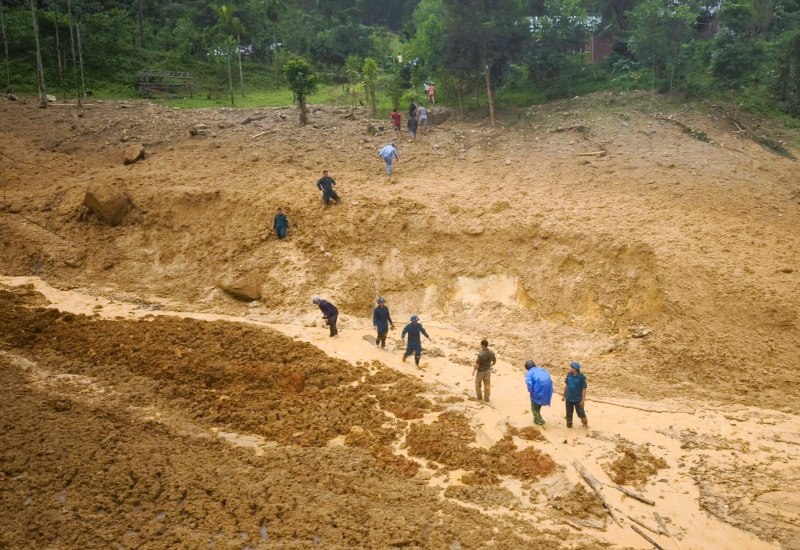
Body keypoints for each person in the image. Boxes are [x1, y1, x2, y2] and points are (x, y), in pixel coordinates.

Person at [524, 360, 554, 425]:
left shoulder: (529, 373)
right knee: (539, 402)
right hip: (548, 389)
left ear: (527, 368)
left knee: (533, 407)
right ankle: (536, 418)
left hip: (539, 389)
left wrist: (531, 392)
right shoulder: (542, 369)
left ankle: (540, 421)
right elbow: (547, 376)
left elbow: (529, 384)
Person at [562, 361, 588, 428]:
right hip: (569, 398)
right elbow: (566, 385)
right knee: (569, 413)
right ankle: (569, 425)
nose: (570, 368)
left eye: (571, 367)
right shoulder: (569, 374)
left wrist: (583, 400)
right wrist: (564, 395)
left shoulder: (581, 377)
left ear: (575, 369)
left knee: (581, 413)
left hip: (578, 399)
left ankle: (585, 423)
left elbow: (584, 389)